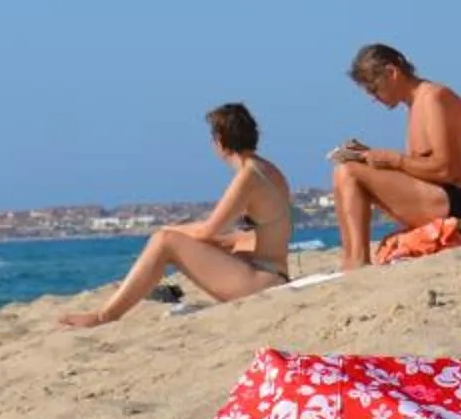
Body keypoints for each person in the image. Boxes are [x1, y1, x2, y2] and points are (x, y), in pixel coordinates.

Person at [61, 103, 298, 327]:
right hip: (272, 272)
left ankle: (105, 316)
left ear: (220, 141)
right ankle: (124, 297)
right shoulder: (267, 169)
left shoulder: (249, 176)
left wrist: (170, 230)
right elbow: (265, 230)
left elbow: (208, 230)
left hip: (261, 281)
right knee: (203, 241)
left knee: (164, 241)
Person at [330, 43, 461, 270]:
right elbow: (422, 166)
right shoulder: (415, 104)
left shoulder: (433, 98)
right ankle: (351, 261)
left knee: (349, 172)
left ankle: (358, 263)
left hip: (457, 203)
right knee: (344, 170)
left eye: (374, 88)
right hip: (440, 195)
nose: (375, 98)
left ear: (392, 73)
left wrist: (393, 160)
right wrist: (369, 156)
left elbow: (444, 170)